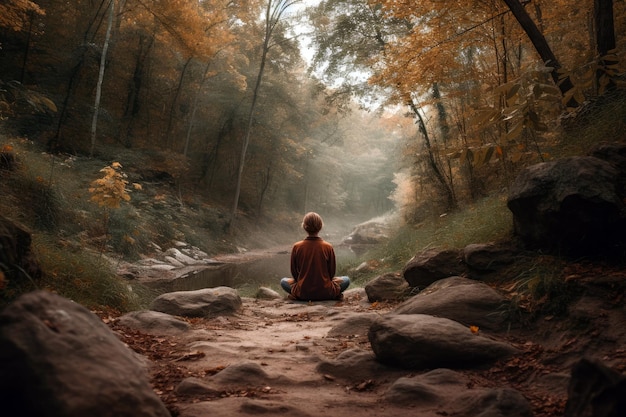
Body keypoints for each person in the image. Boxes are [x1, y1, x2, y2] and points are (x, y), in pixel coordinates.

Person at [280, 212, 350, 301]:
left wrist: (302, 282)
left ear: (304, 226)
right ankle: (334, 294)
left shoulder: (297, 246)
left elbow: (294, 272)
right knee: (346, 280)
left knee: (283, 281)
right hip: (326, 292)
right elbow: (331, 273)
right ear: (320, 226)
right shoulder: (328, 246)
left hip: (303, 292)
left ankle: (296, 295)